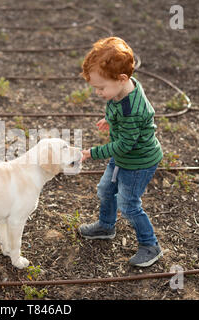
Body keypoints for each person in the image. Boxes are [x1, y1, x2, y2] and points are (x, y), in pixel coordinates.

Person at [79, 37, 163, 267]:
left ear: (122, 79)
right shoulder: (123, 89)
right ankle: (106, 226)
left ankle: (150, 245)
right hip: (124, 157)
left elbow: (124, 145)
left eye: (100, 87)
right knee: (106, 189)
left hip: (138, 162)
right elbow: (116, 105)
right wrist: (110, 118)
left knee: (129, 204)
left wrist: (92, 152)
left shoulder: (132, 110)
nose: (97, 92)